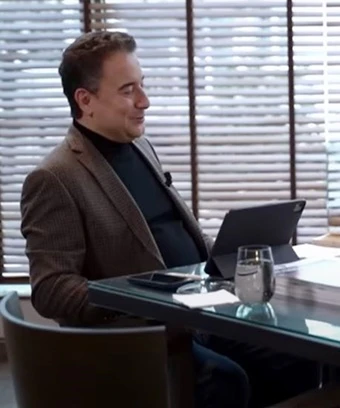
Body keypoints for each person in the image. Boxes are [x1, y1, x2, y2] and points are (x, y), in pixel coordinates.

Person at [19, 31, 313, 408]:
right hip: (140, 336)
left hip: (202, 312)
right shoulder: (54, 178)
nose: (145, 101)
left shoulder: (140, 146)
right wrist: (142, 295)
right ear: (85, 100)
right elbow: (51, 289)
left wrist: (230, 255)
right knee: (226, 380)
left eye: (142, 85)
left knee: (299, 354)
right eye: (128, 90)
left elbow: (174, 234)